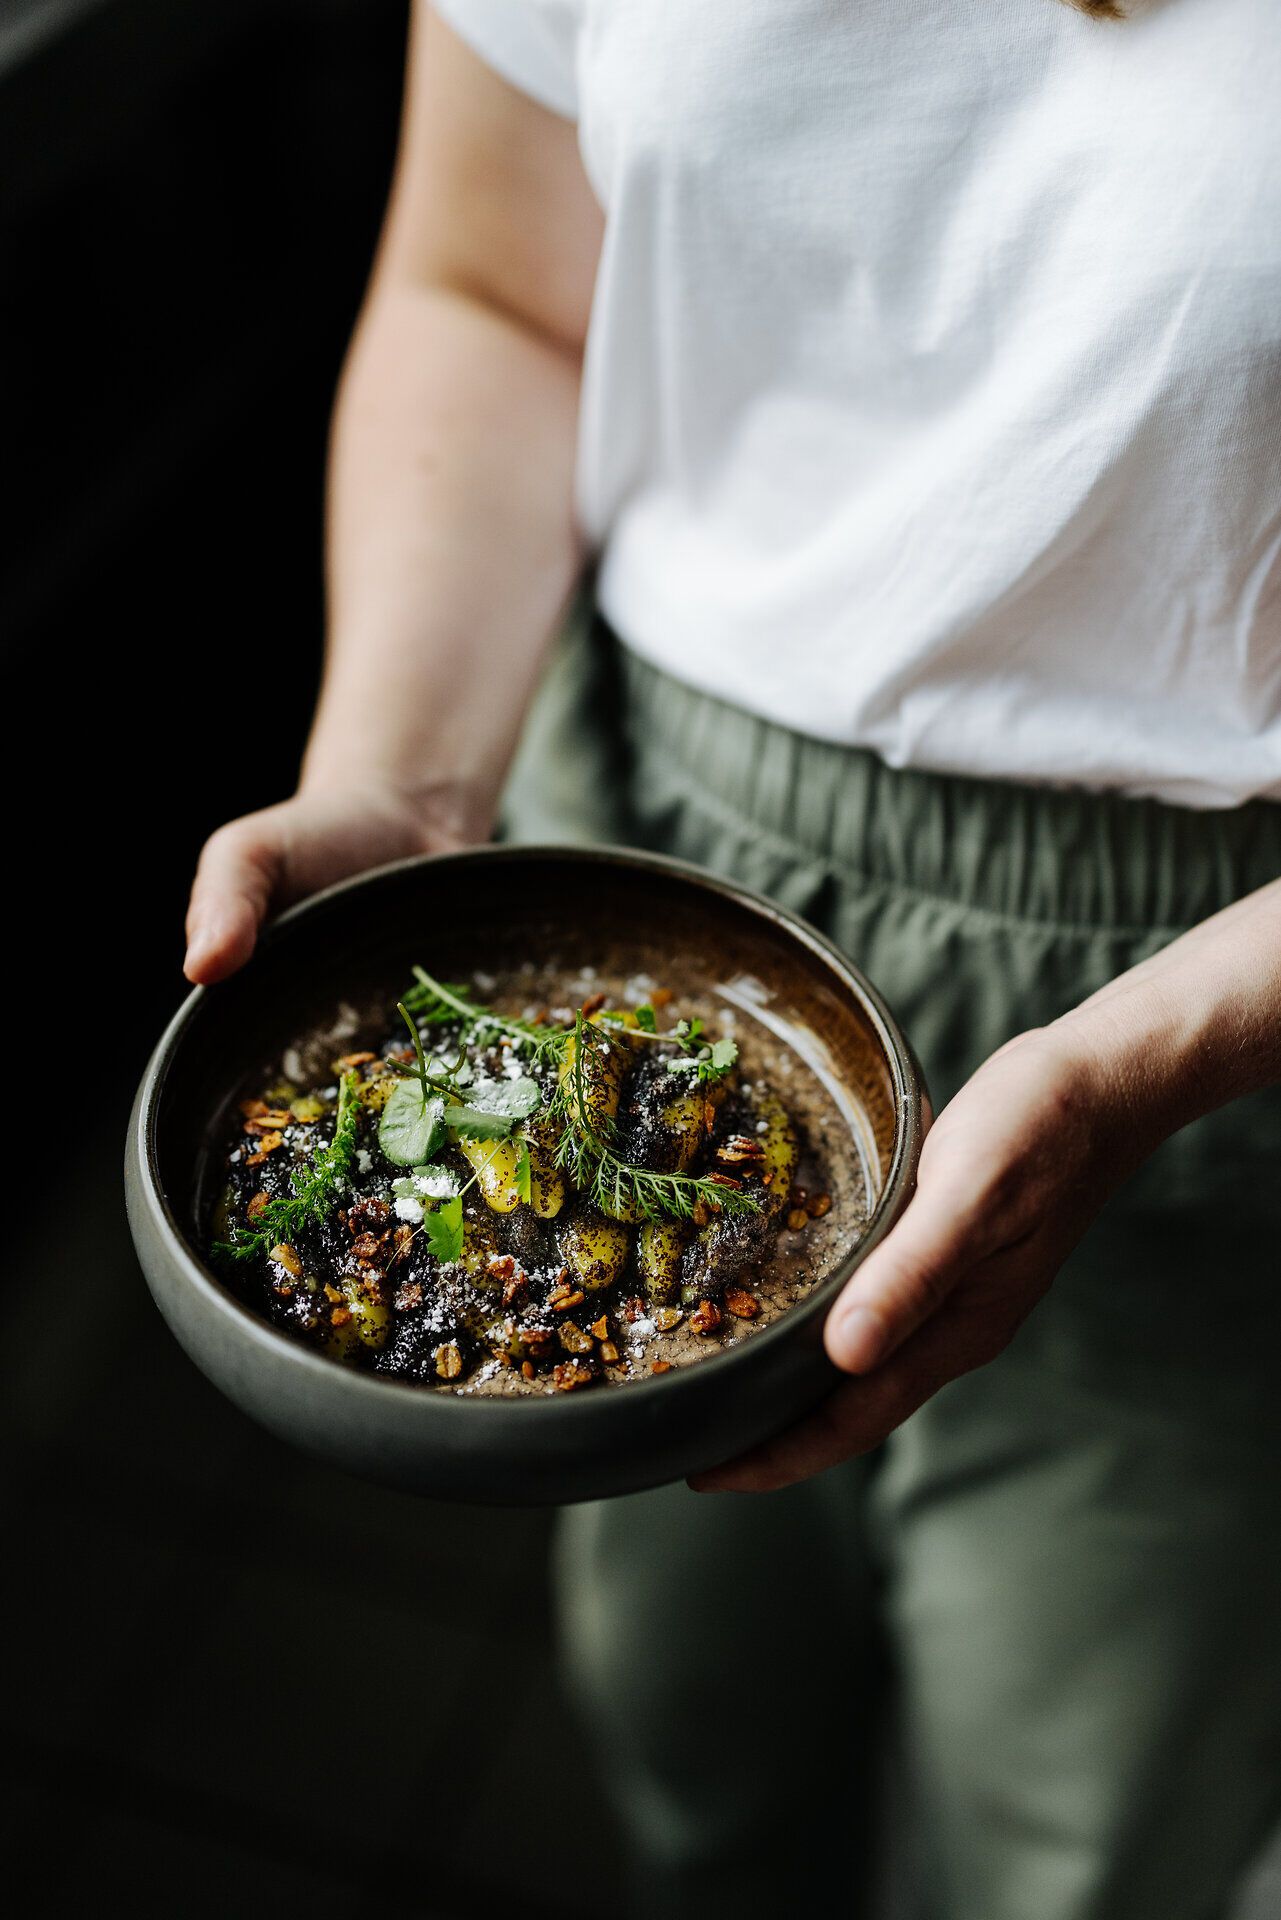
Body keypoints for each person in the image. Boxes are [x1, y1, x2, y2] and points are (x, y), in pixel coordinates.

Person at [183, 4, 1281, 1915]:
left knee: (1081, 1833)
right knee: (695, 1727)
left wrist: (1146, 1061)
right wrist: (401, 780)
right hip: (640, 840)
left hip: (1199, 994)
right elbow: (495, 290)